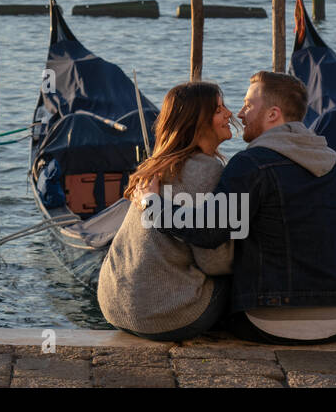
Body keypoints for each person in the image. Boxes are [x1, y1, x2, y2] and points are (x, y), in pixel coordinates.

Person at [162, 70, 336, 345]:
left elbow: (208, 232)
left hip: (266, 324)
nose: (240, 114)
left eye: (248, 104)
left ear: (273, 114)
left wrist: (154, 207)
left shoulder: (250, 165)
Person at [96, 82, 235, 340]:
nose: (229, 113)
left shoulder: (154, 166)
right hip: (163, 317)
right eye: (218, 109)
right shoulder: (208, 171)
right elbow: (214, 262)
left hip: (113, 305)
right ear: (197, 122)